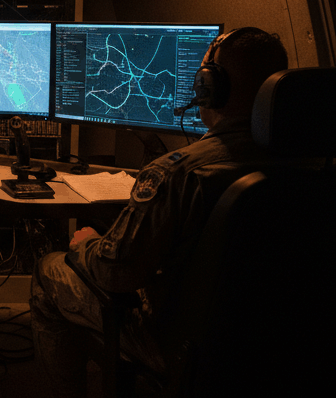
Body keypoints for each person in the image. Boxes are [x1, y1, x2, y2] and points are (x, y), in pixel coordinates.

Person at [29, 26, 290, 397]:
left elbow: (115, 273)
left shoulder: (178, 173)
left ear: (208, 88)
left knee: (49, 268)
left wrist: (87, 244)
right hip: (275, 346)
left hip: (175, 344)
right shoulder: (312, 167)